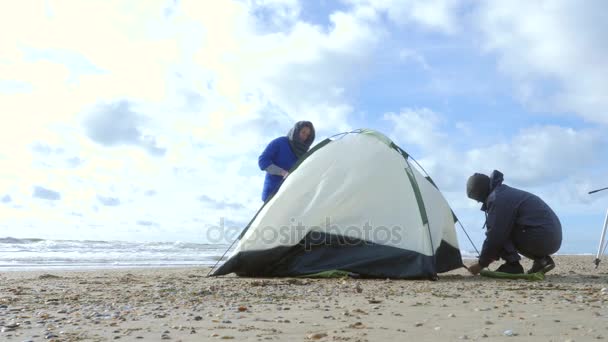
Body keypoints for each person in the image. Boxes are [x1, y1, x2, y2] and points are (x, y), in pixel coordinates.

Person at [466, 170, 562, 275]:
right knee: (504, 227)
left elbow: (495, 236)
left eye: (476, 198)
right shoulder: (503, 192)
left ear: (481, 193)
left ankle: (512, 266)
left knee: (500, 230)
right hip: (552, 237)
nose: (478, 202)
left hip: (542, 236)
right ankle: (542, 261)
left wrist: (481, 264)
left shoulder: (498, 199)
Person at [258, 121, 315, 202]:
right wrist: (282, 172)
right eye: (303, 132)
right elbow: (263, 161)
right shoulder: (280, 142)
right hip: (273, 195)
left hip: (292, 197)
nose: (304, 136)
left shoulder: (304, 153)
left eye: (307, 135)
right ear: (296, 130)